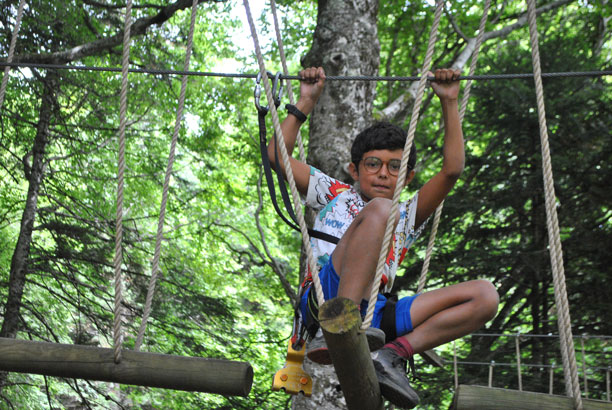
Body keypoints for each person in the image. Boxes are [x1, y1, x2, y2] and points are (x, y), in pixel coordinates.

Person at [268, 67, 499, 409]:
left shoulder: (406, 215)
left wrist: (449, 102)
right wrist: (305, 101)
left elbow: (452, 170)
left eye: (394, 167)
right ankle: (336, 324)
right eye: (374, 164)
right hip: (325, 298)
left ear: (408, 177)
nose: (382, 173)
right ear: (354, 169)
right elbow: (277, 156)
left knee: (485, 296)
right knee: (377, 210)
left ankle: (392, 356)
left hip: (375, 316)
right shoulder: (335, 193)